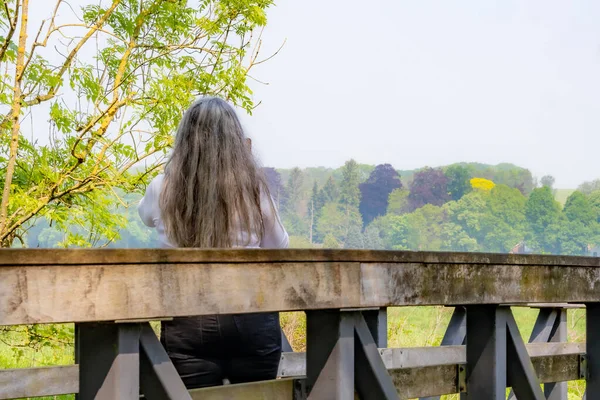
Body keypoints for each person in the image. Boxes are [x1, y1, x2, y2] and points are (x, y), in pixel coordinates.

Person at [138, 96, 289, 388]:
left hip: (187, 319)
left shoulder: (162, 187)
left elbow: (144, 216)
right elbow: (278, 245)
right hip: (251, 315)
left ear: (184, 141)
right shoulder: (253, 189)